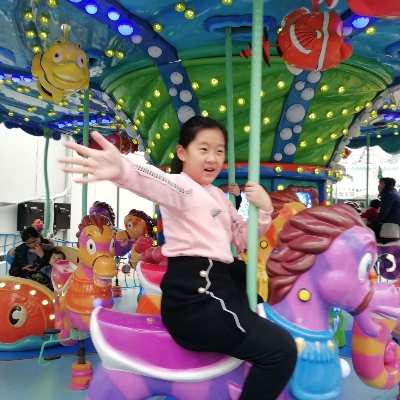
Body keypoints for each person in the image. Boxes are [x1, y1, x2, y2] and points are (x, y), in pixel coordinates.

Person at [60, 116, 297, 399]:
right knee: (281, 350)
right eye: (204, 149)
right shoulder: (181, 188)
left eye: (219, 151)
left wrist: (265, 211)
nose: (213, 158)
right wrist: (121, 168)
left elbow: (242, 239)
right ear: (183, 153)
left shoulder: (219, 197)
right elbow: (150, 179)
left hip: (219, 286)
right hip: (197, 297)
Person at [370, 178, 400, 243]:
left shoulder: (388, 195)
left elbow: (383, 214)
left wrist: (373, 222)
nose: (378, 186)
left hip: (390, 224)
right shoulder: (395, 193)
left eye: (381, 184)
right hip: (395, 224)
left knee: (366, 229)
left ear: (387, 185)